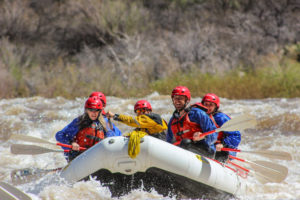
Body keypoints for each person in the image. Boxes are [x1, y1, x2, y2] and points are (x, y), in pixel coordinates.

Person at [55, 96, 121, 162]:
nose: (94, 113)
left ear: (100, 111)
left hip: (98, 156)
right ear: (86, 110)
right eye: (91, 110)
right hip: (79, 156)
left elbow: (114, 138)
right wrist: (71, 143)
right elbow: (60, 135)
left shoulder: (105, 123)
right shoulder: (79, 122)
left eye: (96, 110)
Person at [166, 86, 218, 158]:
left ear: (187, 100)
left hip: (205, 151)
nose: (177, 101)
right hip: (184, 151)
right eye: (175, 98)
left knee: (185, 142)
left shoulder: (198, 114)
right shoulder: (173, 120)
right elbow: (169, 142)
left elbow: (214, 135)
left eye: (180, 98)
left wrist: (203, 136)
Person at [202, 93, 241, 162]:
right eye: (206, 104)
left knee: (219, 153)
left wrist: (223, 144)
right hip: (210, 147)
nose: (208, 107)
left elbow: (236, 135)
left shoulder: (221, 118)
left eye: (211, 105)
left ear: (216, 107)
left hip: (225, 149)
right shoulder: (201, 116)